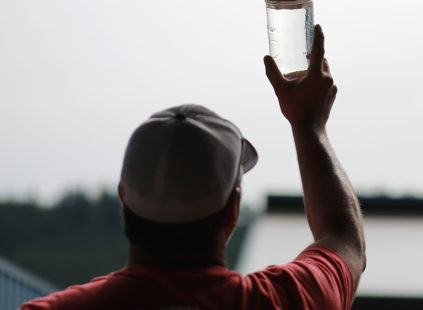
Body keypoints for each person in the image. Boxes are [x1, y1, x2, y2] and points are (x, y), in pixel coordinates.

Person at [21, 24, 365, 310]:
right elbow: (344, 239)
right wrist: (308, 125)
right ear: (233, 210)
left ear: (124, 200)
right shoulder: (283, 301)